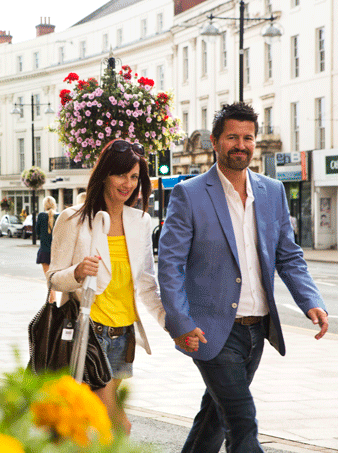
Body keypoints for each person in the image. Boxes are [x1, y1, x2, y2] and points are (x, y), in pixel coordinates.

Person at [158, 103, 329, 453]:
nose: (241, 144)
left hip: (257, 328)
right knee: (242, 421)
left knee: (214, 419)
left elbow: (289, 255)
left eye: (247, 137)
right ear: (215, 142)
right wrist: (180, 322)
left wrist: (311, 301)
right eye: (232, 137)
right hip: (210, 328)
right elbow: (170, 265)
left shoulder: (272, 191)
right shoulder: (188, 194)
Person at [48, 139, 181, 436]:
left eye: (135, 177)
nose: (128, 184)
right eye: (122, 174)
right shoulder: (73, 219)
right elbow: (54, 277)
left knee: (90, 425)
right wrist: (78, 272)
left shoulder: (141, 222)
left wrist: (171, 323)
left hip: (124, 338)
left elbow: (146, 283)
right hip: (89, 334)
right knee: (118, 425)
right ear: (105, 174)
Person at [36, 196, 59, 304]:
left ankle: (52, 301)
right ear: (55, 204)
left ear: (44, 205)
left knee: (49, 279)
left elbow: (37, 232)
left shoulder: (41, 216)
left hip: (45, 252)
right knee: (55, 279)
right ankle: (52, 300)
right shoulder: (59, 216)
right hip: (56, 253)